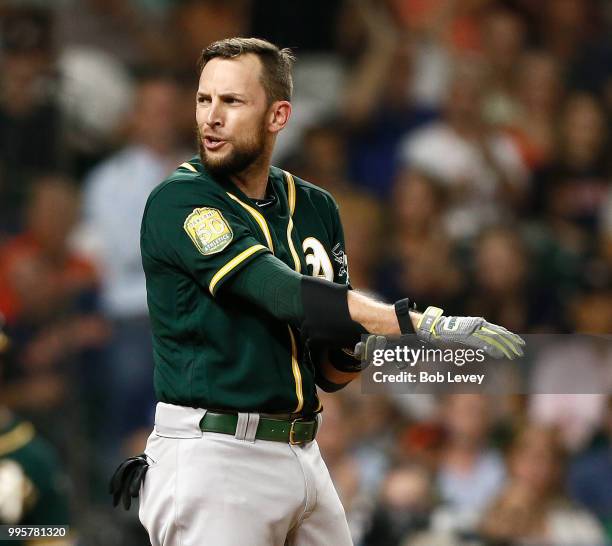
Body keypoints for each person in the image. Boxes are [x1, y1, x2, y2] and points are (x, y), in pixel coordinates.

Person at [109, 38, 523, 546]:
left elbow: (330, 367)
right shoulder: (181, 201)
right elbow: (278, 290)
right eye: (203, 99)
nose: (211, 117)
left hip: (304, 450)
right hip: (216, 454)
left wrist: (361, 344)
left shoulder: (316, 207)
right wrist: (423, 322)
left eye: (232, 101)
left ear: (278, 115)